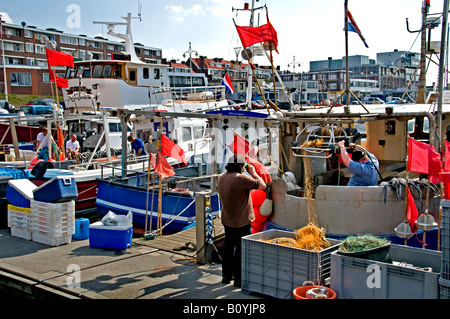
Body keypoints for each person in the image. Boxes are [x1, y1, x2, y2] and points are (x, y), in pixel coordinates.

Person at [217, 156, 266, 287]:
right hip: (242, 221)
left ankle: (226, 277)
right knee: (240, 250)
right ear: (240, 166)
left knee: (228, 248)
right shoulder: (241, 179)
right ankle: (238, 280)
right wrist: (253, 172)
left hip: (227, 219)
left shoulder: (221, 177)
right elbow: (262, 185)